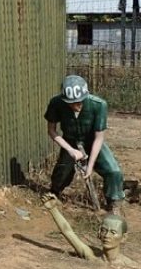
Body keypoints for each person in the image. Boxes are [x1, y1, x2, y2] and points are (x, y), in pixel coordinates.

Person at [44, 75, 125, 214]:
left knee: (113, 171)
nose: (78, 105)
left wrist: (90, 165)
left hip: (92, 141)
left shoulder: (99, 105)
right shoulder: (56, 103)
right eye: (73, 103)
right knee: (62, 172)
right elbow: (51, 130)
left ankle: (114, 202)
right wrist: (70, 150)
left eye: (80, 101)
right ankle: (55, 193)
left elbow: (99, 138)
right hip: (69, 141)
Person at [40, 193, 133, 266]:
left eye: (113, 232)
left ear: (124, 237)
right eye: (104, 230)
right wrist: (53, 209)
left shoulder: (130, 266)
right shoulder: (91, 256)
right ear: (99, 233)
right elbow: (68, 232)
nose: (107, 236)